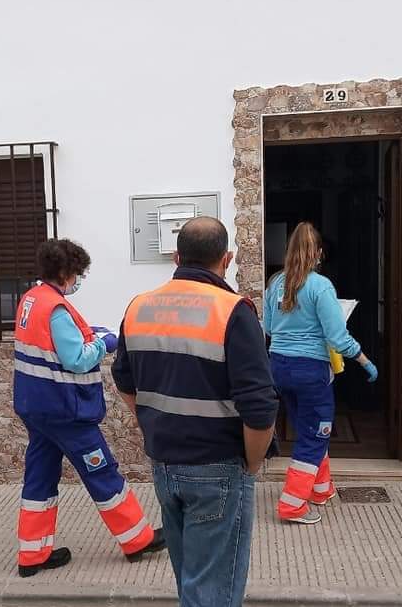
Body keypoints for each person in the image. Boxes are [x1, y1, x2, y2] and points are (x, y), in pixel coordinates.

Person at [112, 217, 279, 607]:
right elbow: (260, 407)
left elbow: (124, 382)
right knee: (213, 592)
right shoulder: (234, 311)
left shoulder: (139, 307)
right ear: (228, 258)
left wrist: (156, 426)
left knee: (191, 582)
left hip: (165, 465)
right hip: (219, 467)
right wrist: (251, 466)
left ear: (176, 257)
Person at [13, 238, 166, 578]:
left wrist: (88, 333)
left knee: (39, 478)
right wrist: (103, 343)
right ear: (66, 272)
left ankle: (32, 554)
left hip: (35, 406)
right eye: (77, 273)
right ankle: (136, 539)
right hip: (66, 411)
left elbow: (50, 344)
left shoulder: (32, 299)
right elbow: (77, 360)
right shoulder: (56, 308)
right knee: (102, 472)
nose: (79, 280)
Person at [263, 222, 378, 525]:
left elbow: (268, 328)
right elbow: (338, 339)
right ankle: (292, 505)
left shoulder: (276, 283)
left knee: (308, 426)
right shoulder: (321, 286)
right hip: (310, 370)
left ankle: (321, 489)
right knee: (316, 434)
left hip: (279, 366)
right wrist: (365, 361)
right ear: (318, 254)